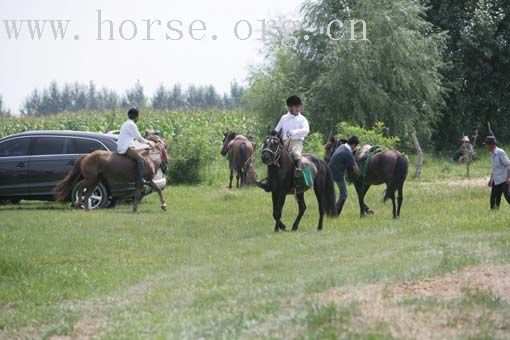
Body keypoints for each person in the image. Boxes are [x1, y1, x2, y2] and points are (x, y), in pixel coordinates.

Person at [257, 96, 310, 192]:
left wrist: (294, 132)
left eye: (299, 106)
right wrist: (273, 133)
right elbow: (277, 130)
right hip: (283, 142)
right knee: (274, 156)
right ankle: (269, 181)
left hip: (296, 142)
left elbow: (306, 130)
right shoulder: (284, 118)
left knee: (296, 154)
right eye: (296, 107)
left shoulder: (302, 119)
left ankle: (298, 171)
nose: (298, 109)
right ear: (290, 107)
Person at [117, 108, 153, 187]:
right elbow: (138, 138)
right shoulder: (132, 124)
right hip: (126, 147)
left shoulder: (126, 123)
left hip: (123, 145)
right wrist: (148, 142)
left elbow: (134, 138)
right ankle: (140, 179)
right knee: (141, 159)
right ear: (136, 117)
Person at [328, 136, 361, 215]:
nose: (354, 148)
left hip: (329, 171)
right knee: (344, 194)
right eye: (355, 146)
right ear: (353, 145)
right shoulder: (347, 153)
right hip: (337, 174)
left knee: (330, 193)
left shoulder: (342, 146)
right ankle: (335, 213)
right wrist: (361, 175)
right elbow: (355, 168)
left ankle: (330, 211)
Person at [485, 135, 510, 210]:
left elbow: (508, 165)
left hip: (503, 180)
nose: (487, 147)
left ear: (492, 145)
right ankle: (494, 211)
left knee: (508, 196)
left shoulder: (500, 152)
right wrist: (490, 179)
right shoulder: (492, 153)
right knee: (493, 199)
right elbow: (494, 168)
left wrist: (509, 178)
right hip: (496, 180)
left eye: (487, 145)